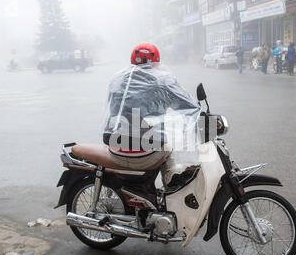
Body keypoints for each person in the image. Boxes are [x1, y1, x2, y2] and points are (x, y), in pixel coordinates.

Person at [71, 43, 201, 171]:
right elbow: (188, 106)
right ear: (157, 62)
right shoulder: (163, 79)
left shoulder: (117, 79)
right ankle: (171, 181)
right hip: (146, 155)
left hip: (116, 149)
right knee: (171, 143)